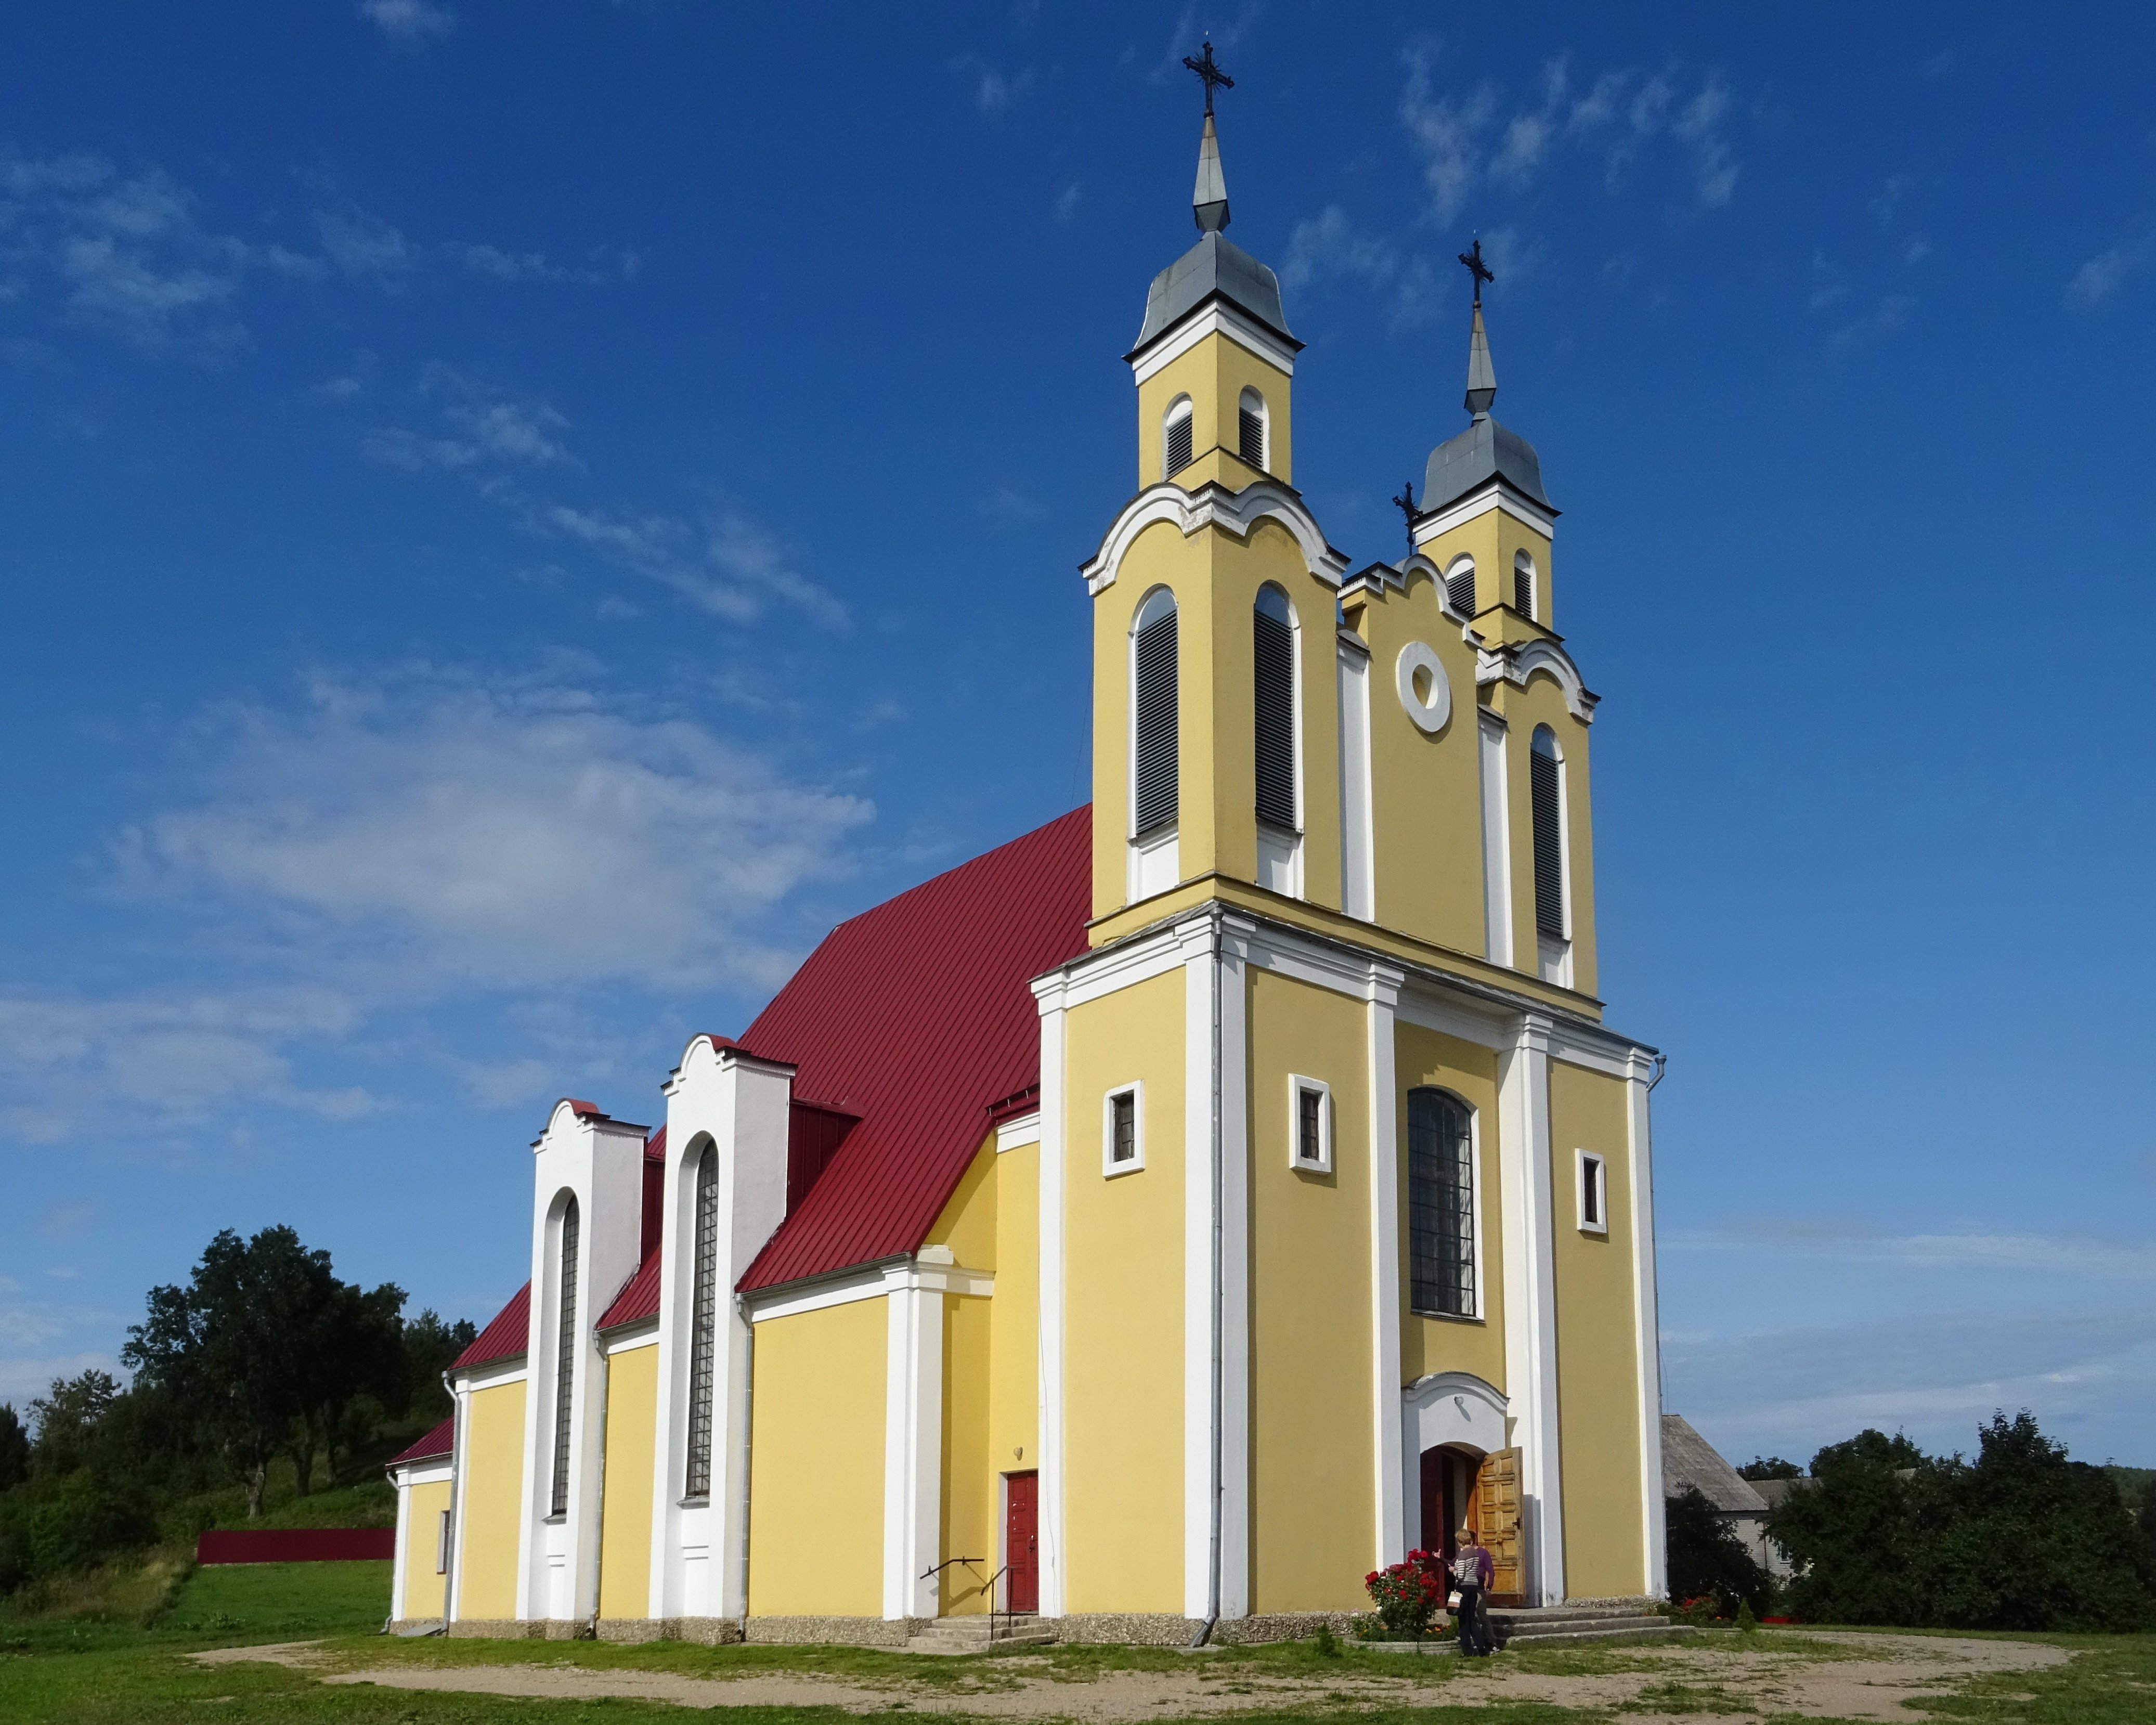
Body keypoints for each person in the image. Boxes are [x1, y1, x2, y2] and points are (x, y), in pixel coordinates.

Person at [1451, 1527, 1495, 1656]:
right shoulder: (1475, 1553)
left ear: (1460, 1541)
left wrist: (1453, 1571)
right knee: (1472, 1618)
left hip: (1464, 1586)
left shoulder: (1464, 1554)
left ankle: (1467, 1650)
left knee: (1463, 1619)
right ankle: (1481, 1648)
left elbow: (1461, 1574)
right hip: (1474, 1586)